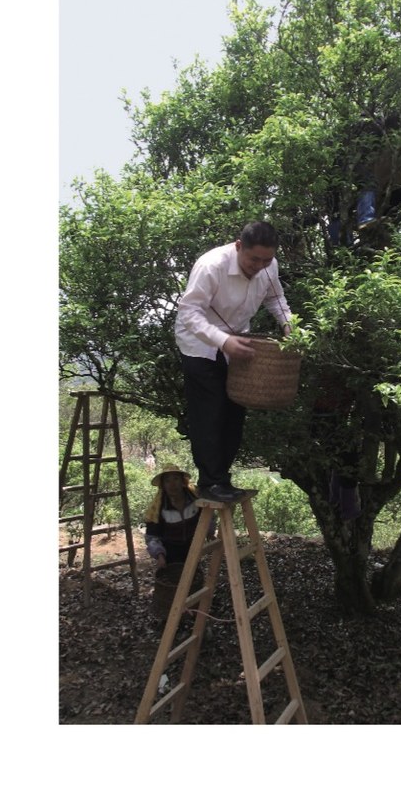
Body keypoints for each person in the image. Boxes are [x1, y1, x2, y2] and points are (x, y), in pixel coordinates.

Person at [174, 220, 292, 502]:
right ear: (239, 246)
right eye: (254, 259)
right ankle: (210, 482)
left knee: (234, 413)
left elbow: (276, 299)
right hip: (199, 345)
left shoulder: (269, 266)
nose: (260, 266)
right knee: (210, 413)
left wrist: (289, 325)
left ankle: (222, 479)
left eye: (266, 260)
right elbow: (189, 312)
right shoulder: (211, 266)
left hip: (238, 344)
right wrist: (222, 340)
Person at [144, 464, 203, 570]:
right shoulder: (158, 509)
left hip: (193, 548)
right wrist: (160, 555)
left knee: (193, 575)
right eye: (167, 481)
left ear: (183, 482)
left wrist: (209, 532)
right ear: (163, 486)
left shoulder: (195, 500)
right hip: (170, 552)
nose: (172, 484)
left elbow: (207, 517)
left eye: (176, 479)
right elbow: (152, 537)